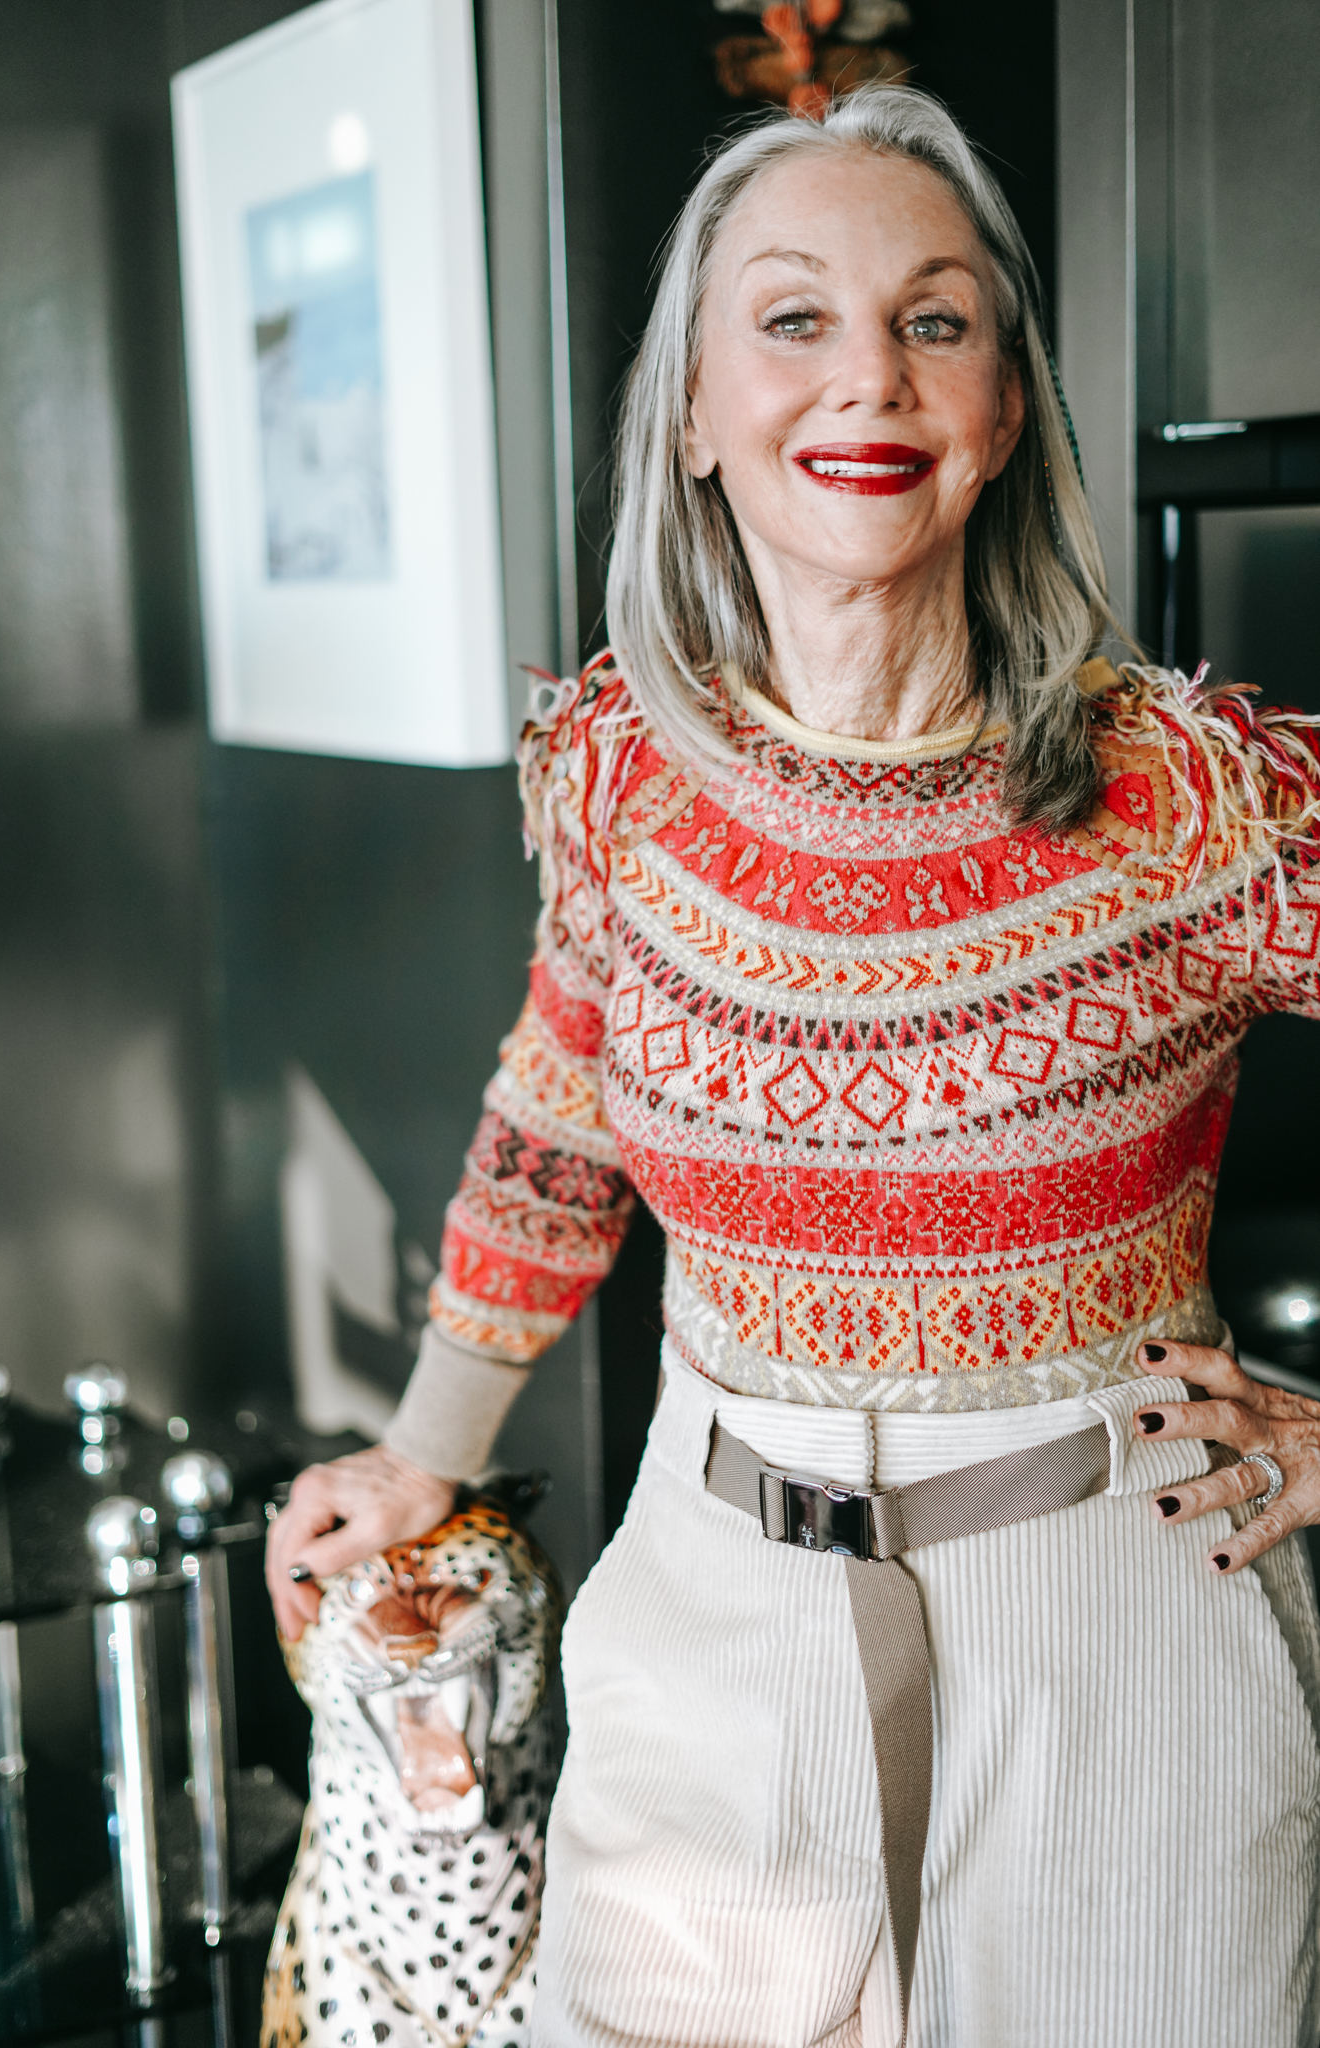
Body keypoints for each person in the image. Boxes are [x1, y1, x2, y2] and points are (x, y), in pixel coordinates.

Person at [266, 84, 1320, 2048]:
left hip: (1111, 1653)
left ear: (1002, 411)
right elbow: (557, 1124)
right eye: (791, 319)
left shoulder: (1190, 797)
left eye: (934, 321)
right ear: (688, 414)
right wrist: (424, 1449)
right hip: (708, 1651)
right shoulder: (609, 773)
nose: (871, 378)